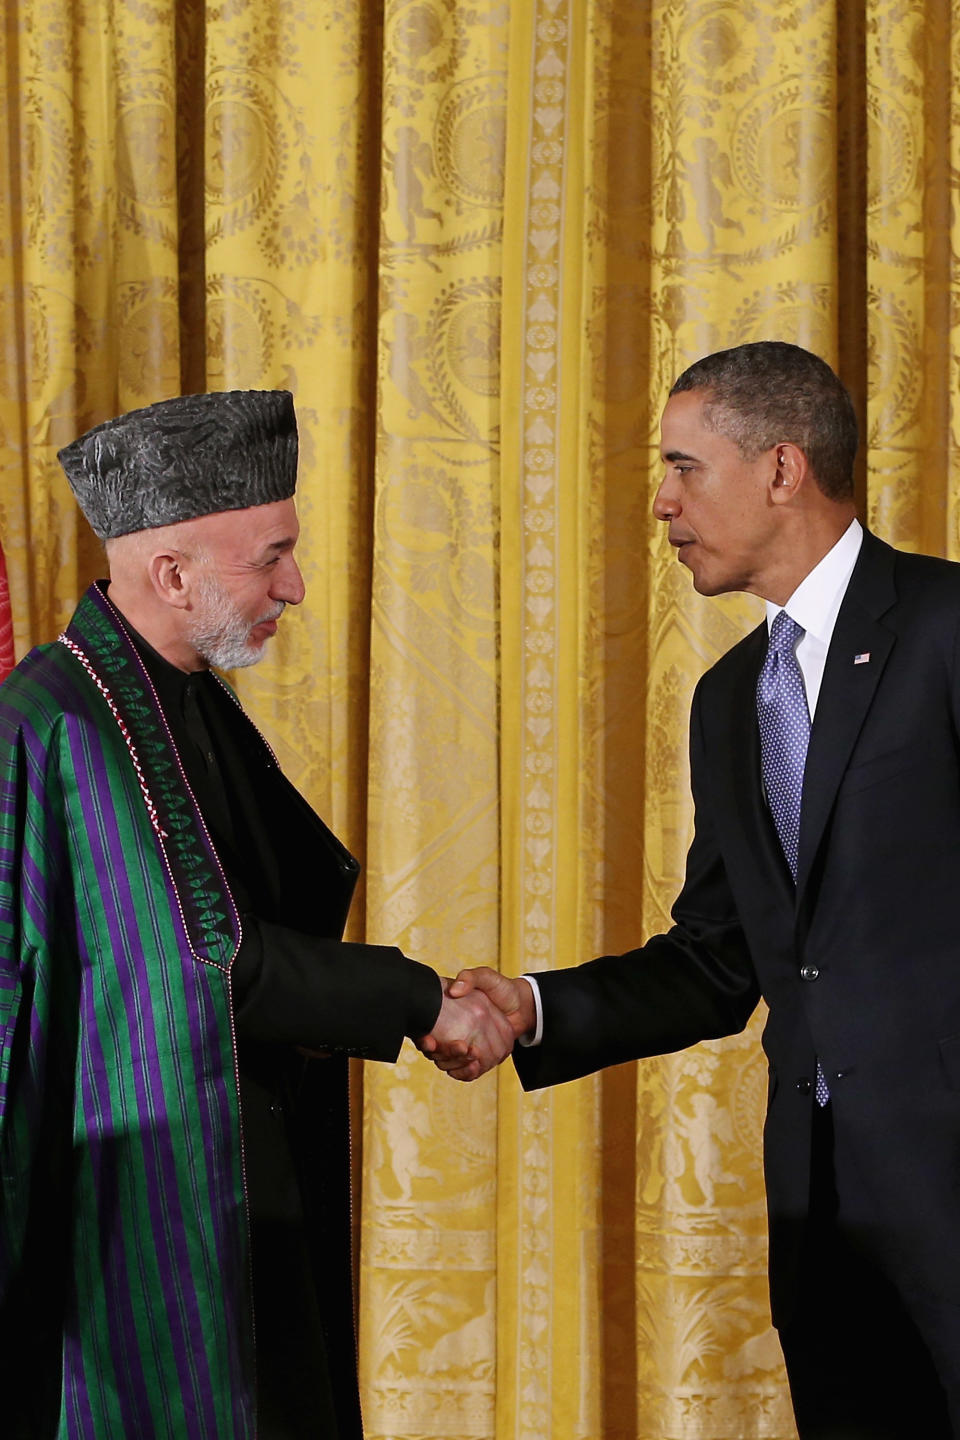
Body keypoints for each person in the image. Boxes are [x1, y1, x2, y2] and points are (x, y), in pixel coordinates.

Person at [433, 342, 960, 1437]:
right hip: (824, 1216)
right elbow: (722, 959)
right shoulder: (731, 697)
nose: (663, 504)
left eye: (684, 468)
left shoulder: (947, 626)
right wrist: (534, 1006)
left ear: (780, 469)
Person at [0, 389, 513, 1440]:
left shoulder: (182, 695)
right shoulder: (67, 725)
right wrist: (421, 997)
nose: (298, 585)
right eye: (269, 557)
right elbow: (207, 961)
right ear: (172, 573)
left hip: (248, 1170)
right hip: (145, 1215)